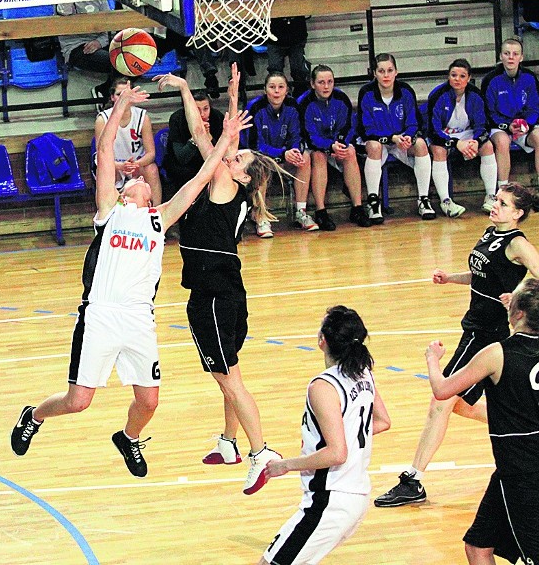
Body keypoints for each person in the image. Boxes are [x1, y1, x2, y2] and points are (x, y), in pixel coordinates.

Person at [10, 86, 250, 479]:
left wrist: (226, 137)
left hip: (140, 319)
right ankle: (33, 415)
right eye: (131, 181)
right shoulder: (109, 213)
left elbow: (203, 177)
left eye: (140, 178)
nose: (137, 178)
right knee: (78, 401)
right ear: (123, 195)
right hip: (101, 316)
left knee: (150, 401)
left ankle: (128, 437)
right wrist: (119, 106)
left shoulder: (160, 219)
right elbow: (104, 153)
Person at [155, 65, 283, 495]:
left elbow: (213, 139)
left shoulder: (225, 183)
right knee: (231, 371)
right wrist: (190, 89)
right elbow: (202, 132)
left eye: (239, 158)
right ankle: (228, 443)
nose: (231, 156)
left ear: (244, 176)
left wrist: (225, 114)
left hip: (211, 296)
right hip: (229, 293)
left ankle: (261, 452)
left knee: (229, 379)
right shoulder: (225, 181)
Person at [375, 182, 539, 508]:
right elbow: (484, 275)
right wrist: (452, 277)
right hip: (475, 326)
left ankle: (413, 480)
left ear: (518, 213)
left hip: (488, 333)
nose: (495, 206)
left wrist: (518, 299)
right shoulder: (492, 233)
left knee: (442, 399)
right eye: (496, 200)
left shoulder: (517, 242)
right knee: (460, 405)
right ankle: (528, 427)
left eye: (504, 204)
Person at [258, 306, 391, 565]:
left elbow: (337, 453)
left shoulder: (323, 386)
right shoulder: (364, 374)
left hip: (330, 500)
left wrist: (285, 466)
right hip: (354, 496)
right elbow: (383, 421)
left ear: (323, 341)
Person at [426, 278, 539, 565]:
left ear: (518, 314)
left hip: (522, 470)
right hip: (510, 470)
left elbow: (442, 391)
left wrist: (433, 359)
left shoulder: (497, 353)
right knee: (478, 546)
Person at [357, 53, 435, 223]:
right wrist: (391, 137)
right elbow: (366, 129)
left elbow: (414, 122)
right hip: (378, 141)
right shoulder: (366, 93)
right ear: (374, 73)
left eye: (389, 70)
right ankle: (373, 202)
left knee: (421, 144)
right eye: (381, 71)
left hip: (400, 141)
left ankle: (423, 200)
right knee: (374, 146)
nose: (386, 75)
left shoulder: (406, 91)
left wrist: (408, 137)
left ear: (396, 72)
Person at [299, 65, 372, 229]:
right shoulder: (304, 103)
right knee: (318, 156)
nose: (326, 86)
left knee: (350, 152)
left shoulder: (341, 99)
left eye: (330, 82)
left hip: (336, 144)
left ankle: (357, 208)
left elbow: (348, 126)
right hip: (315, 146)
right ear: (312, 84)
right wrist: (329, 146)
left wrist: (341, 144)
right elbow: (308, 135)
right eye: (321, 82)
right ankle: (321, 211)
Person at [245, 71, 313, 238]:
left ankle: (300, 211)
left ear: (287, 90)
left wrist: (294, 151)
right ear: (265, 90)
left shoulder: (292, 106)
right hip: (261, 156)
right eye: (272, 87)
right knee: (259, 163)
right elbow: (255, 145)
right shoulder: (255, 108)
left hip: (284, 155)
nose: (276, 91)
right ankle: (260, 216)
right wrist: (282, 154)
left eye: (281, 87)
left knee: (305, 158)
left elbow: (297, 135)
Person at [428, 58, 497, 217]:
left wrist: (475, 142)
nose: (457, 79)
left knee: (487, 146)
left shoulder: (475, 95)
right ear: (448, 77)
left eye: (462, 76)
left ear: (468, 78)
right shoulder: (437, 95)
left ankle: (491, 196)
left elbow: (482, 125)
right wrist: (455, 143)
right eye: (453, 75)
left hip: (466, 134)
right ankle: (446, 201)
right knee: (439, 151)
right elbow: (433, 130)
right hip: (443, 135)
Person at [482, 36, 539, 206]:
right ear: (500, 56)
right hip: (499, 126)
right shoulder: (491, 80)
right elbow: (488, 112)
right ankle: (502, 193)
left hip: (523, 126)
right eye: (507, 53)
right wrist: (507, 126)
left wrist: (526, 124)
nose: (511, 57)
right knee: (502, 141)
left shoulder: (529, 78)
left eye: (515, 54)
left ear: (521, 57)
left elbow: (535, 107)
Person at [94, 78, 162, 205]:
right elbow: (100, 157)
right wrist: (120, 166)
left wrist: (135, 164)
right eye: (120, 94)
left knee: (152, 169)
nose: (124, 98)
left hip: (136, 165)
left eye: (127, 94)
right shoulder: (103, 119)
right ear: (112, 97)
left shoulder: (142, 117)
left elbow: (151, 153)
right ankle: (109, 215)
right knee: (104, 173)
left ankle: (156, 212)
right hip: (113, 166)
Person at [55, 1, 119, 110]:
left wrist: (99, 42)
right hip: (76, 47)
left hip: (101, 43)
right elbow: (64, 13)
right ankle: (108, 101)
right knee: (118, 61)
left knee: (133, 60)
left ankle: (105, 91)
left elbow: (109, 26)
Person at [163, 89, 224, 201]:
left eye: (206, 109)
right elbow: (181, 158)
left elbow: (222, 155)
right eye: (197, 109)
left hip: (208, 162)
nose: (202, 114)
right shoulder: (177, 118)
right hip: (184, 166)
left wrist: (209, 137)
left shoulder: (217, 117)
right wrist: (196, 137)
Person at [266, 9, 311, 99]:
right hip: (275, 36)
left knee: (299, 72)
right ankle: (279, 99)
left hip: (297, 36)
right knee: (275, 72)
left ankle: (301, 99)